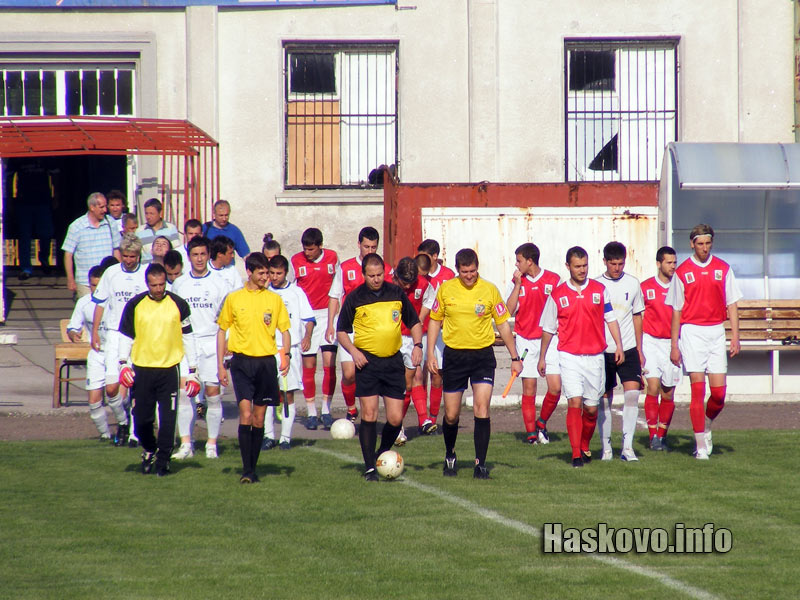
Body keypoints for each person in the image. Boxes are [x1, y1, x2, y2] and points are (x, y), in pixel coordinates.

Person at [426, 248, 521, 479]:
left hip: (482, 356)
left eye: (473, 271)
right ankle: (450, 454)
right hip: (455, 357)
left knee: (481, 408)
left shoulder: (489, 290)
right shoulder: (446, 289)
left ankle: (480, 464)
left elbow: (503, 325)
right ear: (458, 270)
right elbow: (434, 322)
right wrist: (430, 353)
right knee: (451, 414)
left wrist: (515, 357)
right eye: (465, 272)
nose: (469, 276)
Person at [337, 253, 423, 481]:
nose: (376, 279)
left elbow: (414, 322)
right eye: (371, 275)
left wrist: (418, 345)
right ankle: (369, 467)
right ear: (364, 274)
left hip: (393, 362)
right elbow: (341, 332)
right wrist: (354, 352)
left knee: (395, 419)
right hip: (368, 363)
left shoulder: (396, 293)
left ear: (385, 273)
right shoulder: (355, 297)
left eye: (379, 275)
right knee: (369, 414)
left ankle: (380, 453)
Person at [538, 246, 624, 468]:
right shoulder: (557, 295)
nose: (582, 270)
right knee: (574, 402)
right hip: (569, 356)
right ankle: (576, 454)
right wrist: (542, 357)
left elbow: (610, 319)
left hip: (595, 357)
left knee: (592, 408)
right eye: (577, 266)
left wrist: (619, 346)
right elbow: (548, 329)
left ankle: (584, 443)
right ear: (568, 266)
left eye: (585, 265)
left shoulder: (599, 289)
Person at [667, 224, 742, 460]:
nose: (704, 248)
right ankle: (700, 446)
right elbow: (677, 310)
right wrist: (674, 344)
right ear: (692, 244)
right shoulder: (682, 272)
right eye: (700, 244)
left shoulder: (723, 268)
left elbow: (731, 304)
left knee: (719, 394)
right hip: (692, 333)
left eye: (708, 243)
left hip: (716, 332)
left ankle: (706, 423)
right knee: (697, 390)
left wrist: (735, 337)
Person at [117, 263, 199, 477]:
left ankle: (163, 462)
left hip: (169, 369)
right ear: (147, 284)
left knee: (168, 418)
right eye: (154, 285)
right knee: (142, 419)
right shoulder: (135, 305)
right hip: (142, 369)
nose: (159, 289)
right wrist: (123, 364)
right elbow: (126, 336)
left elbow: (189, 337)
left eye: (162, 284)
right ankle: (149, 448)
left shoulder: (178, 304)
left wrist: (193, 370)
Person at [217, 252, 291, 484]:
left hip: (266, 363)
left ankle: (253, 466)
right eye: (261, 273)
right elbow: (222, 331)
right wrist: (220, 365)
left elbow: (285, 330)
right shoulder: (234, 299)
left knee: (259, 418)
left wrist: (286, 355)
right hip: (241, 363)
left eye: (268, 273)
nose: (266, 277)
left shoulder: (274, 300)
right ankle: (247, 470)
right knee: (245, 413)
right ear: (249, 272)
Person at [171, 237, 229, 460]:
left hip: (212, 343)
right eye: (195, 255)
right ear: (189, 256)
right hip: (187, 343)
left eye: (203, 254)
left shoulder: (220, 283)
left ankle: (212, 444)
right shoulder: (180, 284)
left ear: (208, 255)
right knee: (186, 394)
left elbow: (226, 319)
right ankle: (186, 444)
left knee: (213, 395)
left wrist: (226, 347)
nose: (199, 259)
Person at [327, 226, 392, 424]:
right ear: (358, 245)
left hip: (373, 331)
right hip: (349, 328)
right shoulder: (346, 268)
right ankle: (351, 408)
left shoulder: (385, 270)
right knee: (349, 374)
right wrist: (331, 324)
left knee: (370, 374)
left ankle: (370, 414)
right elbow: (334, 296)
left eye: (373, 247)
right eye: (366, 246)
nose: (370, 251)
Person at [91, 233, 148, 447]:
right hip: (115, 334)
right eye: (125, 255)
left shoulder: (146, 274)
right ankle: (123, 422)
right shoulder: (111, 273)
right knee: (112, 388)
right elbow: (100, 303)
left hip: (139, 335)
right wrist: (96, 331)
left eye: (132, 256)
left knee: (135, 386)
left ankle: (134, 432)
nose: (129, 260)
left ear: (138, 255)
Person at [504, 243, 562, 445]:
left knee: (555, 387)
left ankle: (542, 423)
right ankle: (531, 434)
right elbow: (508, 311)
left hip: (550, 340)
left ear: (530, 261)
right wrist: (518, 285)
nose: (516, 264)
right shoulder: (516, 281)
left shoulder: (554, 280)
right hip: (525, 340)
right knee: (529, 389)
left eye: (519, 260)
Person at [596, 241, 645, 462]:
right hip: (603, 350)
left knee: (633, 394)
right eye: (613, 263)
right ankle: (606, 448)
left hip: (628, 348)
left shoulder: (634, 284)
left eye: (621, 263)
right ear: (604, 261)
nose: (617, 268)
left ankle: (627, 448)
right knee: (604, 398)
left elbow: (637, 317)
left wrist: (639, 349)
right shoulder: (596, 286)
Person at [262, 254, 315, 450]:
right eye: (272, 273)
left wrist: (307, 336)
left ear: (286, 273)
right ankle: (268, 436)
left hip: (289, 350)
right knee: (267, 394)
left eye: (279, 273)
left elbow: (309, 318)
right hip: (267, 349)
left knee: (287, 394)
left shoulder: (296, 293)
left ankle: (285, 437)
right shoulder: (264, 293)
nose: (274, 277)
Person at [291, 228, 339, 430]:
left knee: (329, 364)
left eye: (311, 249)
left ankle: (326, 409)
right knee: (309, 365)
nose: (307, 252)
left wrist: (333, 319)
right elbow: (291, 287)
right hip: (306, 319)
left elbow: (337, 288)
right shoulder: (296, 261)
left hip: (328, 315)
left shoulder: (332, 258)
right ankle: (311, 412)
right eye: (305, 249)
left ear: (320, 246)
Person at [67, 264, 121, 440]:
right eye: (92, 285)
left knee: (117, 394)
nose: (96, 289)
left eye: (99, 285)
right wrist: (74, 334)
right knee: (93, 400)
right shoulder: (84, 303)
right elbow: (72, 327)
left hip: (116, 352)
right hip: (97, 354)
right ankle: (105, 435)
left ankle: (124, 426)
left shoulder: (114, 301)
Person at [392, 256, 437, 445]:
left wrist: (417, 319)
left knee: (414, 378)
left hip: (412, 338)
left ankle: (422, 420)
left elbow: (429, 300)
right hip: (391, 338)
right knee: (398, 384)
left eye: (411, 284)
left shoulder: (424, 284)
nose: (408, 288)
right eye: (405, 284)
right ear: (396, 276)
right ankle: (397, 426)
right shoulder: (387, 285)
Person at [641, 246, 682, 451]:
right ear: (659, 263)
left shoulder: (681, 286)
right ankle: (652, 437)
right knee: (653, 387)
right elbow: (637, 318)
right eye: (669, 262)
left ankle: (662, 435)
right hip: (650, 341)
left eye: (675, 262)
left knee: (668, 393)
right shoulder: (645, 287)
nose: (673, 266)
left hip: (672, 343)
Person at [416, 239, 455, 427]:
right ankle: (422, 418)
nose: (421, 259)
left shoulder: (448, 275)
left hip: (440, 333)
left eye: (425, 256)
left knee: (437, 374)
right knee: (419, 375)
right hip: (420, 331)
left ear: (434, 257)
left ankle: (432, 417)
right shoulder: (417, 273)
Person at [62, 192, 121, 297]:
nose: (105, 210)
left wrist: (119, 274)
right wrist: (70, 279)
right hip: (86, 282)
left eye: (105, 206)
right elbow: (68, 255)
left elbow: (116, 249)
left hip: (107, 279)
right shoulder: (76, 227)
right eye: (101, 207)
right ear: (92, 207)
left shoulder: (111, 223)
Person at [11, 157, 57, 280]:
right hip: (24, 202)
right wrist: (10, 199)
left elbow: (55, 177)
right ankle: (26, 268)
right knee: (24, 236)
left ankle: (44, 259)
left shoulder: (45, 154)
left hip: (43, 201)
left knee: (46, 233)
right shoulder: (18, 156)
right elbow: (8, 177)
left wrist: (56, 196)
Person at [135, 197, 180, 263]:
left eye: (151, 213)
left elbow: (176, 250)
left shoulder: (170, 228)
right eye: (146, 213)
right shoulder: (139, 231)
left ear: (160, 213)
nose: (148, 217)